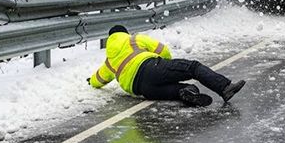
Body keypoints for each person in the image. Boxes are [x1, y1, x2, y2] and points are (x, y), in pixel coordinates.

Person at [88, 25, 246, 106]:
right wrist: (166, 64)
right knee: (193, 67)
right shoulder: (133, 39)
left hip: (143, 90)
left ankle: (187, 92)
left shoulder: (109, 61)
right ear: (124, 33)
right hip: (151, 68)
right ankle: (225, 88)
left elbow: (98, 79)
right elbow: (162, 49)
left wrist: (91, 81)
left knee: (181, 90)